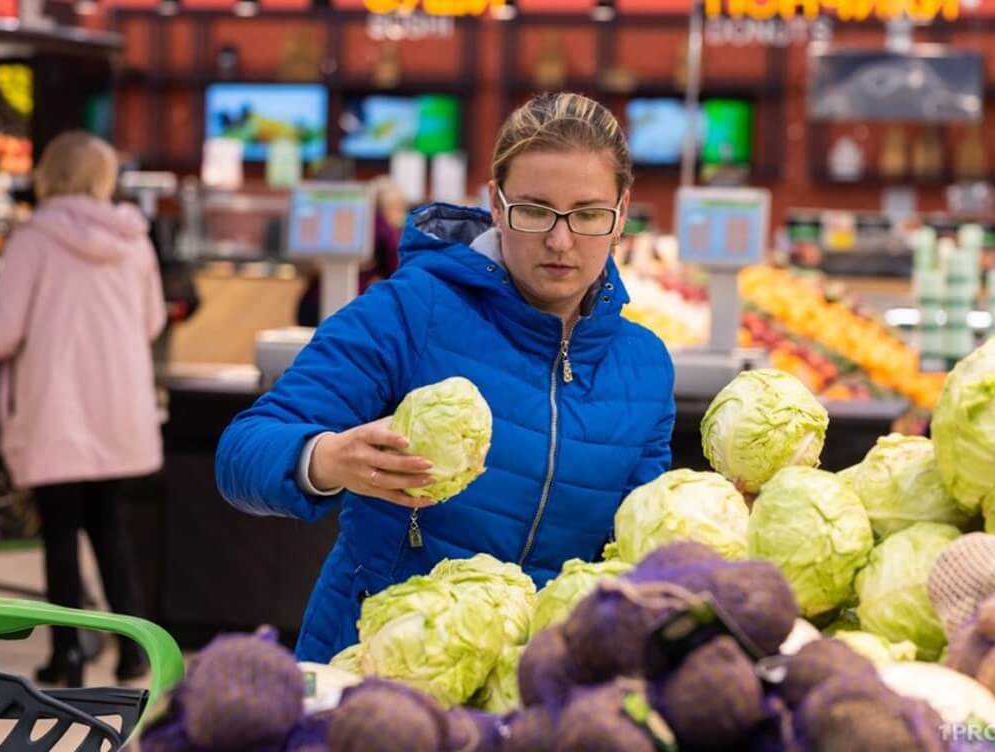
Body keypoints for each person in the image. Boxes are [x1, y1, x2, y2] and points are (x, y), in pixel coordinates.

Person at [216, 93, 676, 663]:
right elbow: (242, 453)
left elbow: (635, 547)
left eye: (587, 214)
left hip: (539, 683)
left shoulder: (645, 366)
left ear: (622, 214)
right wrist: (327, 457)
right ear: (496, 202)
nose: (561, 241)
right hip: (384, 664)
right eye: (535, 210)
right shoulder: (411, 312)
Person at [0, 131, 166, 687]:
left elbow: (3, 331)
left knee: (59, 532)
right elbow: (151, 323)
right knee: (108, 526)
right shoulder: (134, 239)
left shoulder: (33, 239)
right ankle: (133, 650)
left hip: (55, 408)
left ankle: (67, 654)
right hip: (115, 407)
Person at [295, 176, 407, 326]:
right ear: (393, 206)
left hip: (311, 303)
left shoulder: (347, 219)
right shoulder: (385, 231)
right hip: (352, 306)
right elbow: (397, 273)